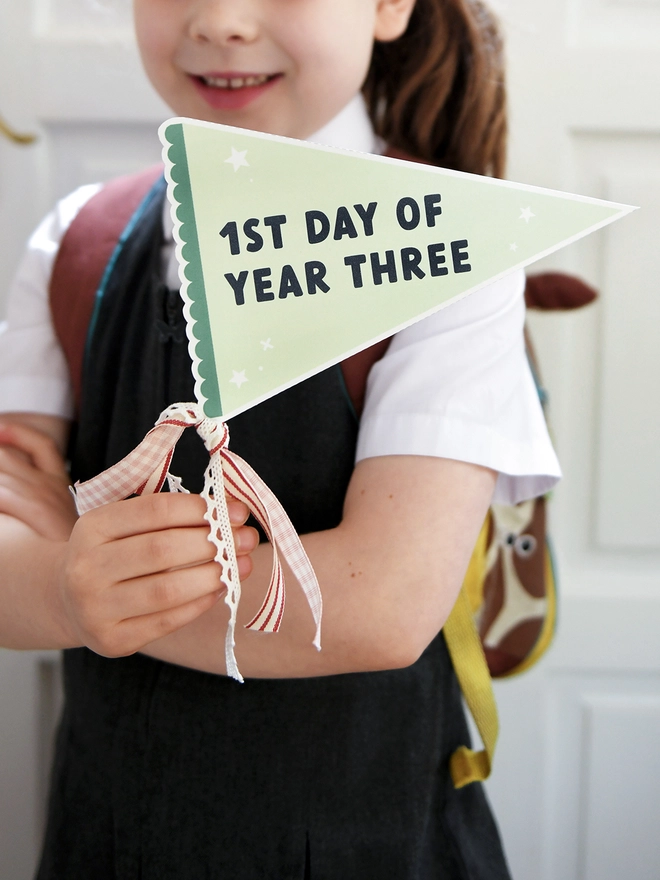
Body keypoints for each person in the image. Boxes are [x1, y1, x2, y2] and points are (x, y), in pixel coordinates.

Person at [0, 0, 561, 877]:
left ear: (385, 8)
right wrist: (63, 590)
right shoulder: (77, 239)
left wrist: (71, 579)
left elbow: (381, 607)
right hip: (103, 840)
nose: (222, 20)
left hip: (369, 846)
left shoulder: (453, 252)